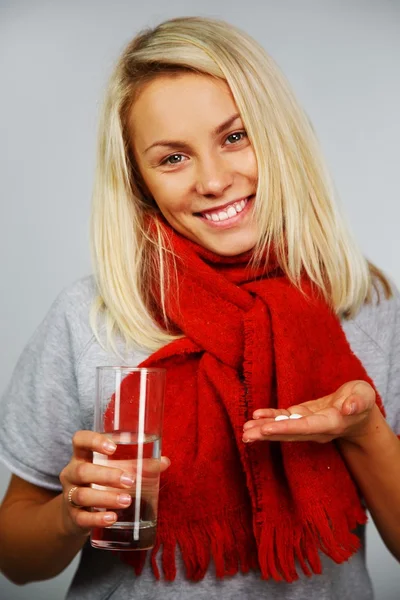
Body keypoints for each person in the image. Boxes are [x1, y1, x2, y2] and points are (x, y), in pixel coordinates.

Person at [0, 15, 399, 600]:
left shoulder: (363, 305)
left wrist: (364, 432)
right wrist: (71, 513)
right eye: (172, 158)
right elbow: (16, 560)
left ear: (279, 136)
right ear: (139, 181)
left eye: (235, 137)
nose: (213, 181)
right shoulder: (89, 317)